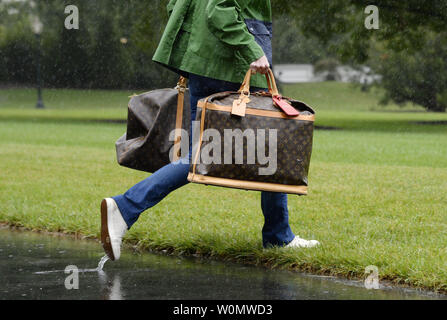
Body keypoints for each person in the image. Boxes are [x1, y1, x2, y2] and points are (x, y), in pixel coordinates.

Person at [100, 0, 320, 261]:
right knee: (266, 142)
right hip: (232, 65)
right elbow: (218, 8)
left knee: (208, 154)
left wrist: (197, 45)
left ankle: (278, 235)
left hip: (203, 63)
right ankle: (125, 207)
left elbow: (177, 5)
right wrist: (252, 49)